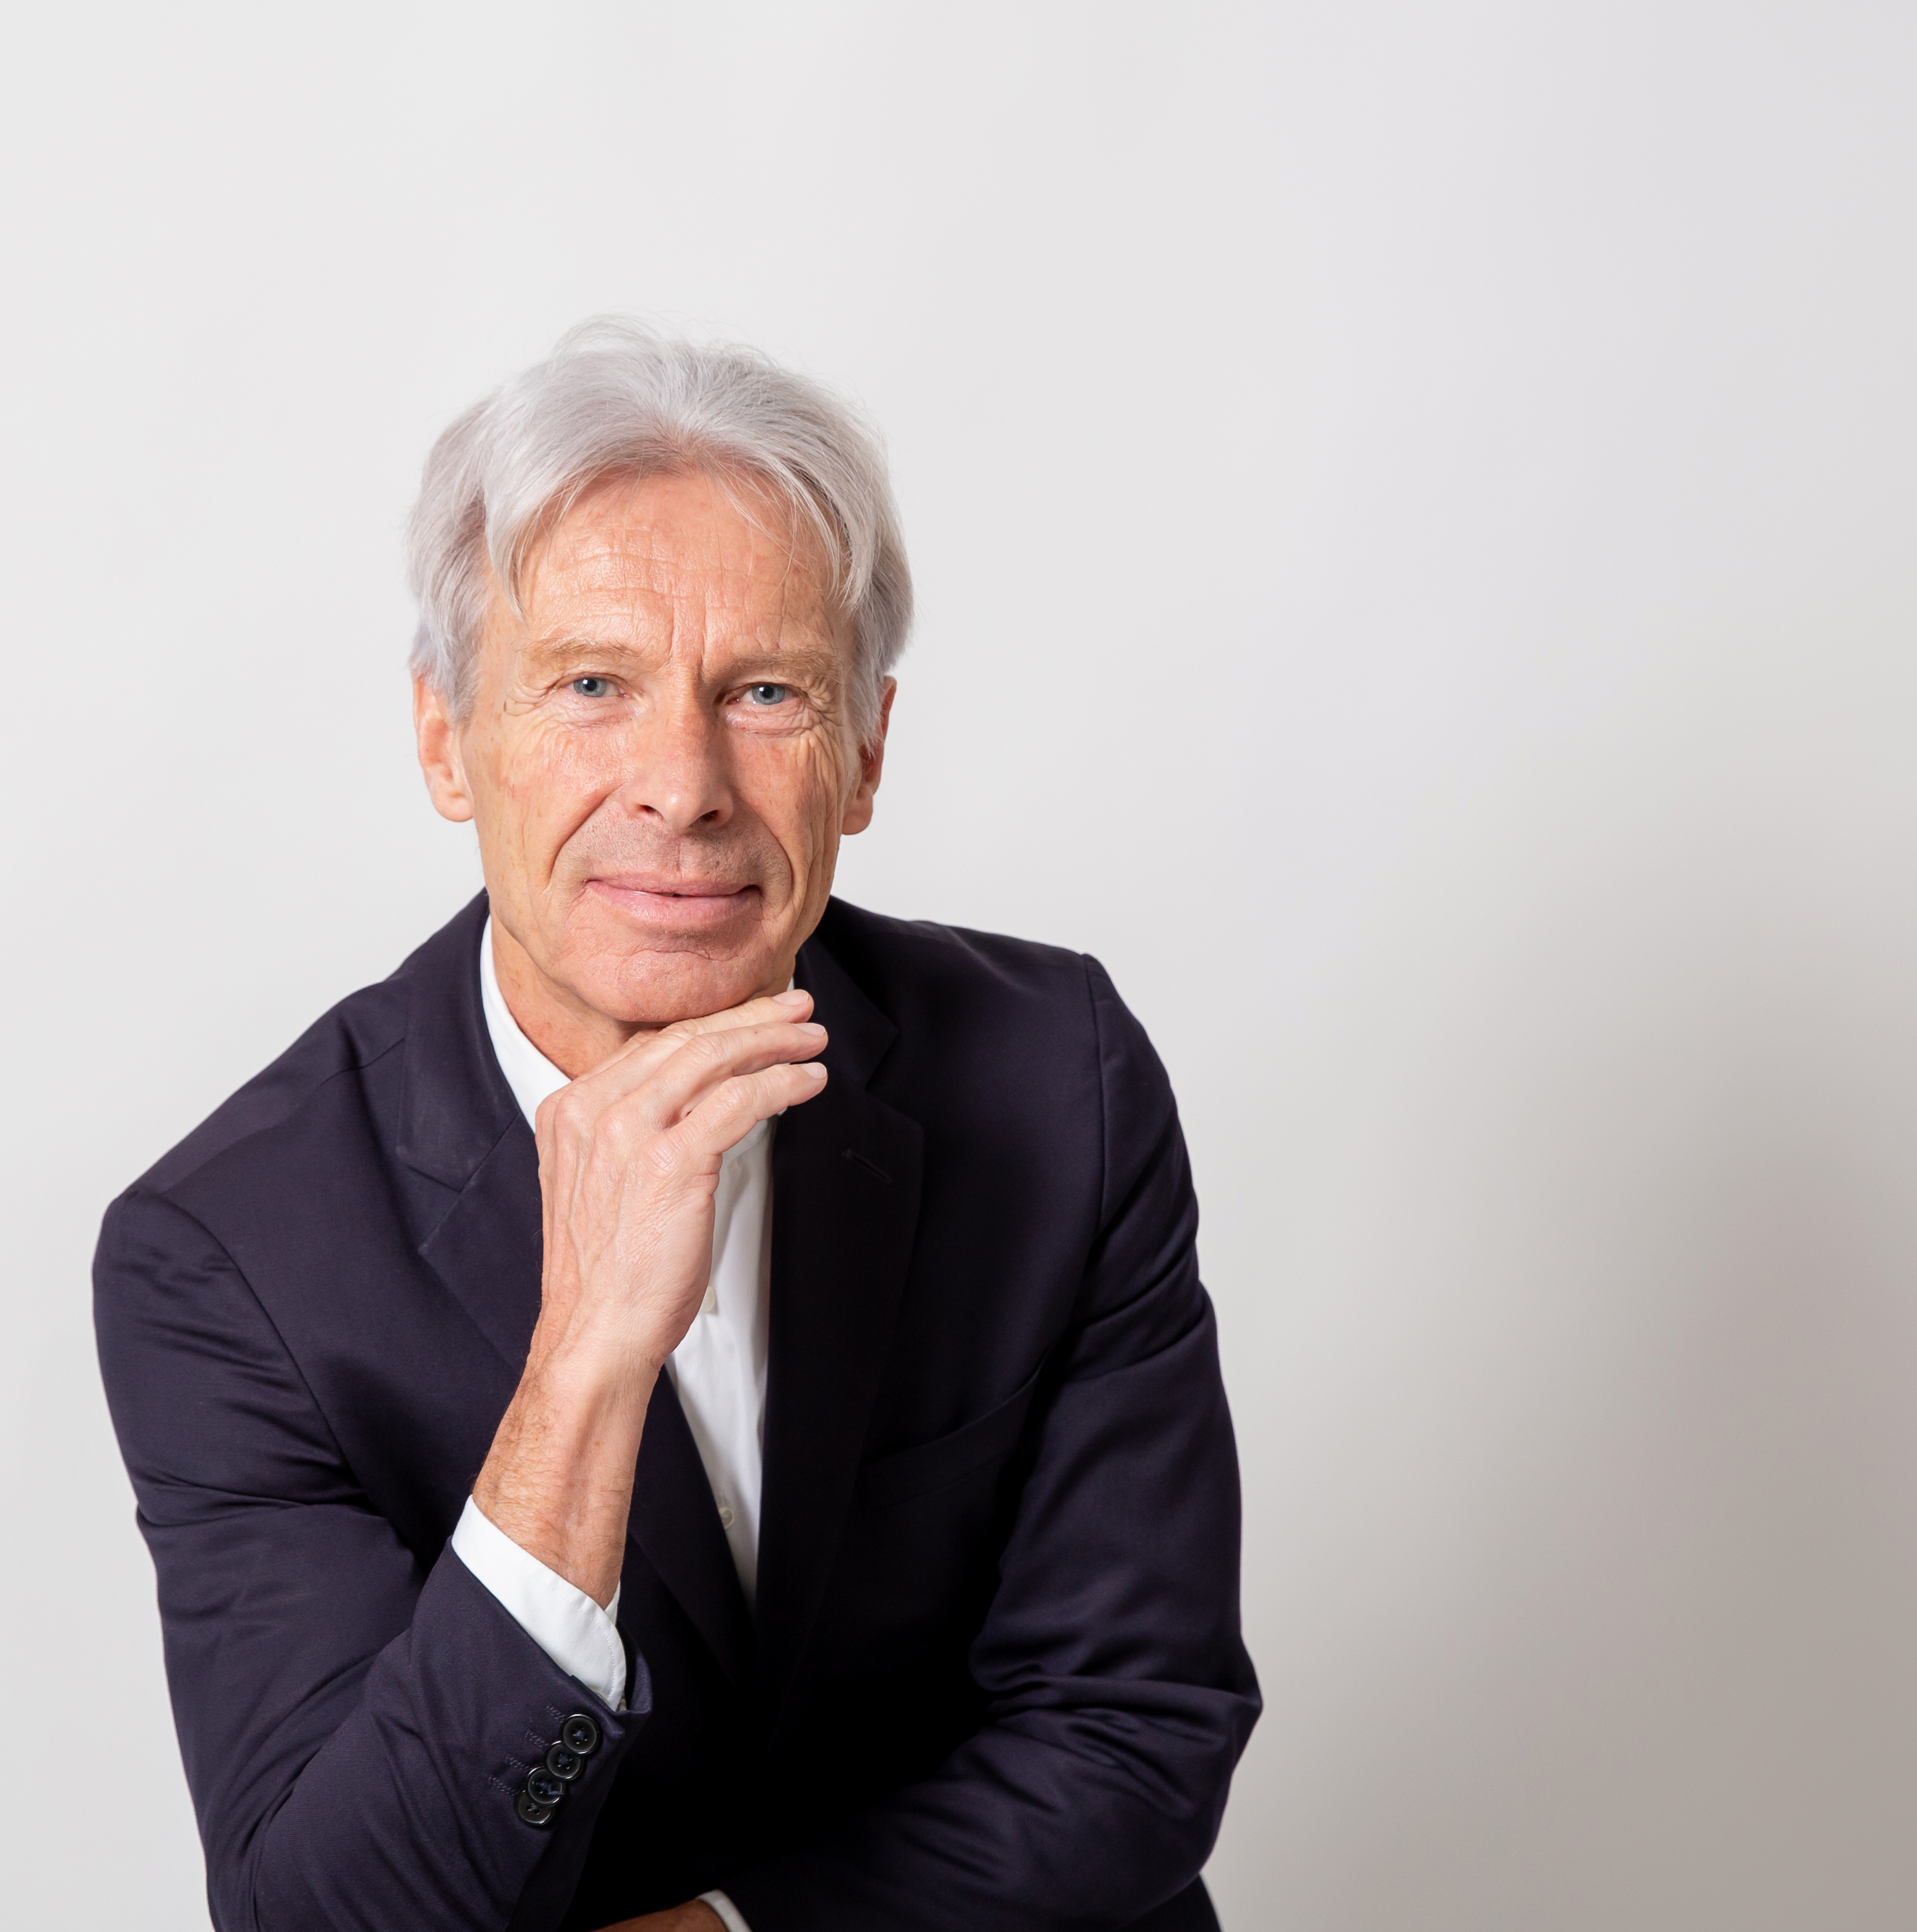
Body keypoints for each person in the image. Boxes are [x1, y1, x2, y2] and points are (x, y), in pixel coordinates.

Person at [94, 320, 1259, 1931]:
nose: (683, 784)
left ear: (865, 752)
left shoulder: (1057, 1078)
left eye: (765, 691)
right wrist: (580, 1371)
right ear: (445, 737)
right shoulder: (231, 1256)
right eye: (591, 685)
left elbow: (1134, 1729)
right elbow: (331, 1917)